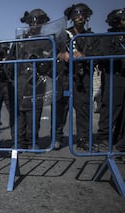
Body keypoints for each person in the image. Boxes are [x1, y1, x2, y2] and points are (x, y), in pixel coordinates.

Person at [5, 9, 53, 149]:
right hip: (20, 81)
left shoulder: (47, 41)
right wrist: (11, 76)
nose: (35, 25)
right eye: (32, 21)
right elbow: (10, 59)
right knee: (19, 113)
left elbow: (50, 62)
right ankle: (18, 142)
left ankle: (32, 141)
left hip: (37, 82)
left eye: (38, 22)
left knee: (34, 114)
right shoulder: (20, 40)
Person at [56, 3, 99, 151]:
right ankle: (56, 138)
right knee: (60, 108)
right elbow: (52, 53)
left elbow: (99, 55)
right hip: (65, 76)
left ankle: (84, 139)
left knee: (83, 109)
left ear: (87, 17)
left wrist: (84, 56)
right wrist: (63, 55)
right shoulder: (63, 35)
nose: (80, 17)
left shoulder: (91, 37)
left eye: (83, 14)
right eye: (76, 14)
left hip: (83, 77)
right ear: (71, 17)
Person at [96, 8, 125, 154]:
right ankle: (103, 138)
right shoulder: (109, 37)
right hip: (115, 76)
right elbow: (105, 54)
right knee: (111, 107)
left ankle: (121, 141)